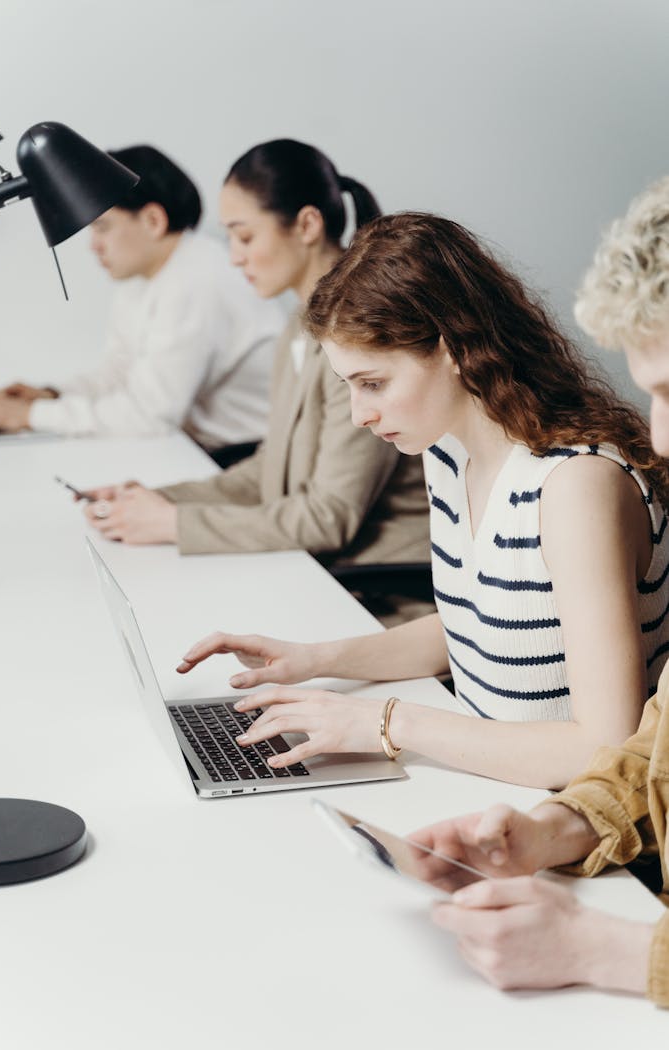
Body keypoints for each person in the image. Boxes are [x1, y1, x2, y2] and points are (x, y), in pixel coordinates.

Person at [175, 211, 669, 791]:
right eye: (350, 387)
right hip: (489, 784)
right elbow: (481, 625)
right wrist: (316, 660)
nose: (360, 414)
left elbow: (603, 747)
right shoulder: (447, 454)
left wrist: (389, 723)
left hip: (572, 825)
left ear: (454, 349)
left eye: (374, 383)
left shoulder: (576, 485)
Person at [402, 176, 669, 1008]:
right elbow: (652, 756)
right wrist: (550, 831)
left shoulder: (575, 481)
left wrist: (606, 951)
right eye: (653, 391)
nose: (659, 432)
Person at [83, 141, 430, 596]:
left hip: (377, 589)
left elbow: (328, 517)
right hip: (321, 570)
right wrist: (158, 501)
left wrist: (175, 523)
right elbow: (272, 465)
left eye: (245, 237)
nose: (234, 256)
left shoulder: (359, 339)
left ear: (307, 224)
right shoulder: (298, 326)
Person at [0, 145, 283, 465]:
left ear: (152, 220)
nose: (93, 246)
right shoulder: (144, 277)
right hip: (197, 449)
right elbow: (121, 374)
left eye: (102, 226)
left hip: (244, 459)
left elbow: (148, 414)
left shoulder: (196, 278)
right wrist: (51, 394)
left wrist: (32, 415)